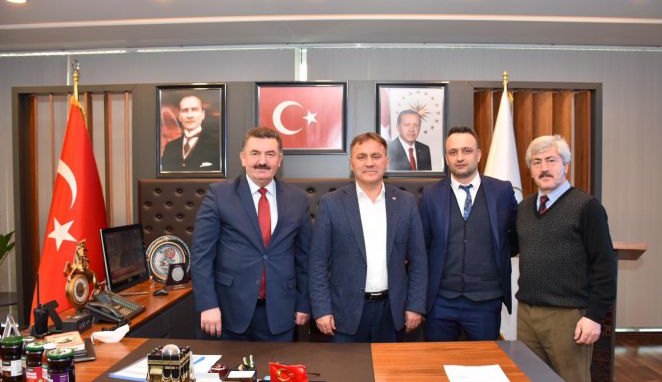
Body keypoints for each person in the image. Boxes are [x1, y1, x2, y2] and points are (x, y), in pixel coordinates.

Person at [516, 135, 616, 382]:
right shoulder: (524, 208)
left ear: (566, 165)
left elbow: (605, 265)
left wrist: (595, 316)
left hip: (568, 318)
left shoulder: (587, 207)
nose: (544, 168)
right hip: (527, 314)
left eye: (551, 160)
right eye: (537, 162)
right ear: (530, 170)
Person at [191, 127, 312, 341]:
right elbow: (201, 256)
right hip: (228, 312)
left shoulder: (298, 199)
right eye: (255, 153)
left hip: (281, 312)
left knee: (278, 365)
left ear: (280, 159)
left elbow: (305, 258)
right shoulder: (219, 195)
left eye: (270, 154)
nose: (262, 161)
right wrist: (208, 304)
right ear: (243, 158)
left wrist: (304, 303)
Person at [309, 132, 427, 342]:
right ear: (351, 163)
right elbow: (318, 262)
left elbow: (418, 260)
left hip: (393, 312)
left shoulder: (406, 202)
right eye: (361, 157)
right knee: (348, 366)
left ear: (386, 161)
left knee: (391, 365)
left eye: (376, 156)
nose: (369, 163)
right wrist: (322, 310)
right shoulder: (331, 203)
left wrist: (415, 305)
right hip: (344, 313)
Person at [418, 126, 517, 341]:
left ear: (478, 155)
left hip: (486, 303)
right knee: (436, 360)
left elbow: (513, 239)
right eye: (453, 152)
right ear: (446, 158)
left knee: (483, 361)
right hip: (440, 303)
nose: (460, 158)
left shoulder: (502, 191)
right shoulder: (430, 195)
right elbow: (422, 247)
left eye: (467, 151)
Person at [160, 94, 221, 172]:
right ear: (179, 116)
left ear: (203, 114)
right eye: (185, 110)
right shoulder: (170, 147)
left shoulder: (217, 145)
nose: (189, 115)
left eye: (194, 110)